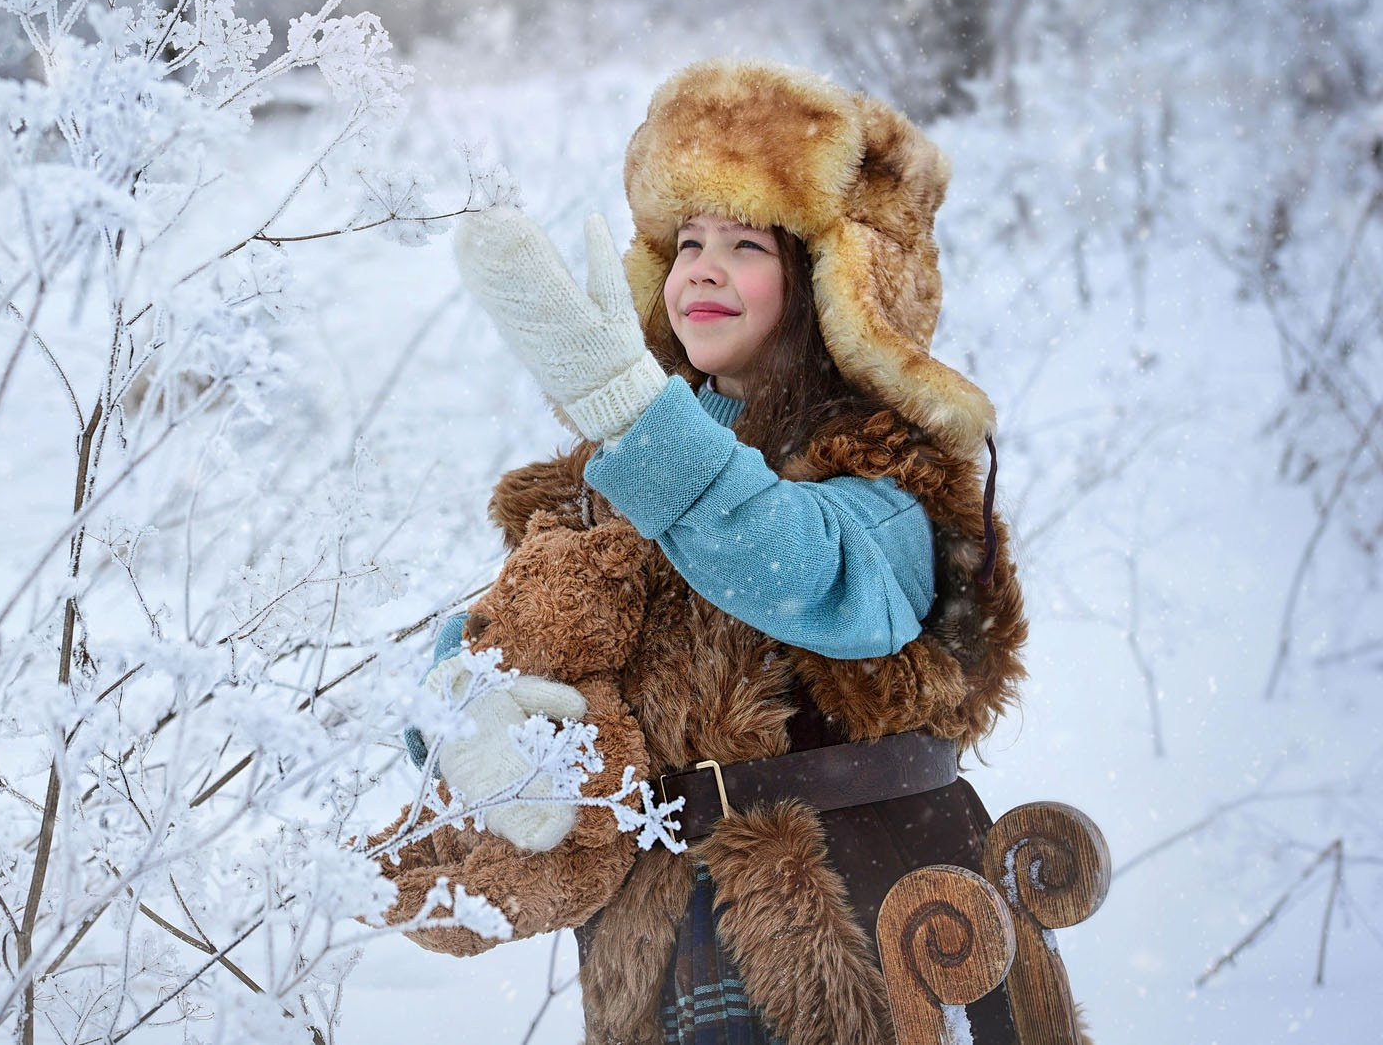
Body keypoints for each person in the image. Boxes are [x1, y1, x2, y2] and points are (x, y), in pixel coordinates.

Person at [414, 59, 1028, 1045]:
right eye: (687, 240)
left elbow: (803, 571)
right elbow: (515, 625)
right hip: (660, 938)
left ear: (831, 281)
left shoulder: (891, 473)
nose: (701, 267)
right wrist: (463, 698)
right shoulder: (615, 470)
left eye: (745, 244)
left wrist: (631, 409)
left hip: (860, 909)